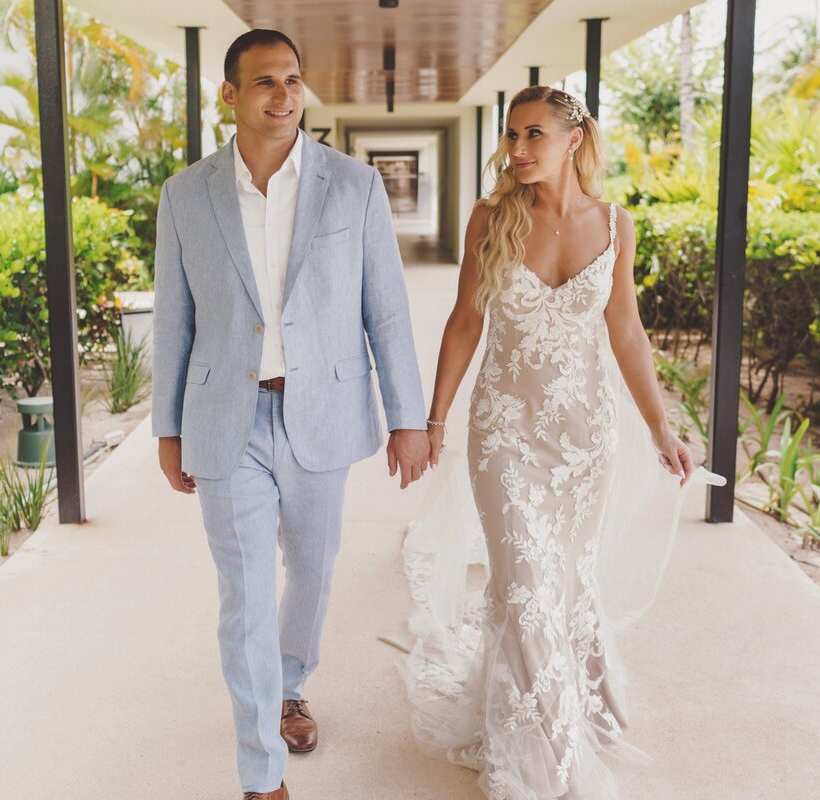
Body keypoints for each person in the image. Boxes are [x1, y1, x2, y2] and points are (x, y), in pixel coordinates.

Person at [400, 85, 720, 799]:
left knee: (564, 583)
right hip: (504, 433)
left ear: (573, 138)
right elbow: (463, 323)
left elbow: (627, 331)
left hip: (583, 438)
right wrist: (436, 420)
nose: (516, 150)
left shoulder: (615, 222)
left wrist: (660, 426)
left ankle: (563, 702)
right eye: (511, 135)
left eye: (533, 134)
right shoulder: (491, 217)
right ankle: (547, 757)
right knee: (521, 584)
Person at [150, 29, 430, 800]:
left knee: (311, 569)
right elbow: (175, 322)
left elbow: (388, 310)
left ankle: (290, 685)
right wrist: (166, 430)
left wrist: (409, 417)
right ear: (230, 95)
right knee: (242, 593)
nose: (283, 95)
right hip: (224, 420)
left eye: (293, 80)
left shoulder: (354, 186)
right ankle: (260, 774)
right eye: (265, 81)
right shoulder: (185, 194)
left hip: (323, 412)